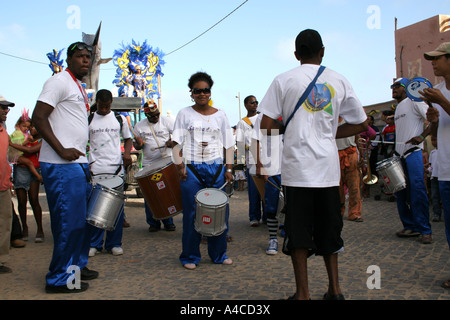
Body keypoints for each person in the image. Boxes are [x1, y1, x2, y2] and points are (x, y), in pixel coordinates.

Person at [259, 29, 368, 300]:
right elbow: (362, 123)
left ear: (296, 54)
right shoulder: (339, 80)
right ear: (322, 51)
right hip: (328, 173)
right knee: (331, 231)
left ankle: (303, 294)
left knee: (298, 234)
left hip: (297, 173)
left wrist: (292, 133)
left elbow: (266, 126)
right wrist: (328, 134)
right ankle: (334, 290)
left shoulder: (283, 80)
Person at [32, 41, 99, 293]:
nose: (85, 60)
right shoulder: (58, 81)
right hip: (61, 164)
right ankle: (59, 279)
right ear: (69, 58)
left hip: (77, 163)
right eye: (80, 56)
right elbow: (39, 117)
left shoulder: (77, 85)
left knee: (80, 222)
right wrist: (61, 149)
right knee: (67, 223)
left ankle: (77, 268)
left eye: (88, 57)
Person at [171, 71, 234, 270]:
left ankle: (219, 254)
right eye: (197, 91)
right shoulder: (184, 114)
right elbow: (175, 144)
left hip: (216, 168)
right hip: (191, 168)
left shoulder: (221, 114)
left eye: (205, 90)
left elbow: (229, 145)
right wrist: (180, 166)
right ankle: (190, 256)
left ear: (210, 92)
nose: (202, 94)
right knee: (191, 213)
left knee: (220, 212)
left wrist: (229, 168)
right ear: (191, 92)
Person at [88, 89, 132, 256]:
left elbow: (128, 139)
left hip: (116, 169)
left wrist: (127, 154)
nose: (104, 109)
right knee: (95, 209)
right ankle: (94, 244)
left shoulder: (119, 119)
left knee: (116, 210)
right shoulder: (90, 119)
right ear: (96, 103)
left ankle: (114, 243)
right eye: (101, 106)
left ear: (111, 104)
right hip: (96, 170)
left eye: (107, 107)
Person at [421, 42, 450, 289]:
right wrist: (432, 121)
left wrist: (443, 102)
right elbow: (437, 127)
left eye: (438, 58)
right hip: (446, 169)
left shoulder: (440, 94)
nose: (433, 62)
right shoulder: (437, 90)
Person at [390, 78, 432, 244]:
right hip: (398, 154)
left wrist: (422, 136)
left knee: (417, 190)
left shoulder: (415, 101)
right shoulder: (399, 106)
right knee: (400, 192)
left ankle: (425, 230)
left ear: (406, 88)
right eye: (392, 86)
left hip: (413, 152)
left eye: (397, 86)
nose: (394, 89)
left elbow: (432, 120)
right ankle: (410, 225)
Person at [133, 100, 177, 232]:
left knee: (166, 191)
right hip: (149, 164)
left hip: (165, 162)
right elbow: (136, 146)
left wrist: (171, 142)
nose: (156, 117)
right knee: (150, 194)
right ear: (146, 116)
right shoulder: (139, 126)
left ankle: (168, 221)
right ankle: (153, 222)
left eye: (157, 114)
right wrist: (138, 144)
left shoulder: (167, 121)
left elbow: (179, 137)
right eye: (152, 116)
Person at [251, 112, 284, 254]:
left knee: (294, 205)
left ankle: (292, 236)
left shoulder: (293, 111)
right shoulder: (263, 116)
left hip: (293, 167)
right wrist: (259, 165)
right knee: (271, 206)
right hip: (272, 168)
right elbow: (255, 141)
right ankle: (273, 239)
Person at [9, 122, 44, 243]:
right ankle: (25, 228)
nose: (30, 129)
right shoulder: (23, 137)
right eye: (28, 127)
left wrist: (11, 144)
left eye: (32, 127)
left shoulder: (41, 140)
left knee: (34, 200)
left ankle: (40, 229)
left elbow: (31, 150)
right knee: (22, 201)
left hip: (33, 169)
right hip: (21, 169)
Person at [236, 95, 264, 226]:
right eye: (252, 102)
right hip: (251, 160)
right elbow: (240, 142)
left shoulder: (263, 117)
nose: (255, 104)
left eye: (256, 102)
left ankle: (268, 216)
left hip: (265, 159)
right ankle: (254, 217)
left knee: (266, 190)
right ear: (246, 105)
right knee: (253, 191)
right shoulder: (242, 123)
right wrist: (241, 163)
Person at [336, 117, 364, 222]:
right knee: (337, 188)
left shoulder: (350, 118)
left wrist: (361, 154)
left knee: (354, 187)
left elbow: (358, 137)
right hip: (335, 155)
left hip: (350, 154)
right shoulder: (329, 117)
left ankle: (355, 213)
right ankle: (338, 212)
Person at [0, 95, 15, 274]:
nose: (6, 111)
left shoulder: (4, 133)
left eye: (7, 108)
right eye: (2, 107)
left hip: (3, 186)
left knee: (4, 223)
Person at [9, 112, 42, 182]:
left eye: (28, 127)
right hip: (19, 161)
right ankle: (39, 177)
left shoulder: (40, 140)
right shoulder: (19, 134)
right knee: (29, 163)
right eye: (25, 126)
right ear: (18, 125)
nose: (28, 128)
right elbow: (19, 144)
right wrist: (27, 141)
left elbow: (30, 150)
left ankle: (38, 176)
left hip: (34, 166)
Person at [427, 136, 441, 222]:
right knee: (434, 196)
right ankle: (436, 213)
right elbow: (431, 166)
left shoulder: (445, 151)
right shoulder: (432, 153)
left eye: (435, 140)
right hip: (434, 177)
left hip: (444, 177)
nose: (433, 142)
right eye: (432, 140)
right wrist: (427, 170)